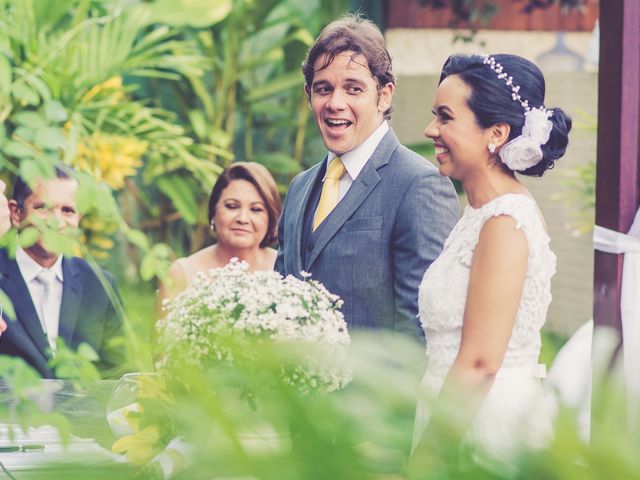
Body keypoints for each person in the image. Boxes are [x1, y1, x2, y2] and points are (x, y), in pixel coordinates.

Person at [411, 53, 571, 462]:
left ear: (495, 133)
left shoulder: (504, 221)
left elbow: (481, 362)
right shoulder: (480, 213)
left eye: (445, 117)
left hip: (481, 424)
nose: (431, 130)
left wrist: (428, 458)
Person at [275, 15, 459, 337]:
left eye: (353, 89)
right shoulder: (299, 187)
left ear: (384, 95)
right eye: (323, 89)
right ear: (309, 95)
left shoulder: (419, 185)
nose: (335, 103)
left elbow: (420, 328)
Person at [0, 166, 124, 378]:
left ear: (79, 219)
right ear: (16, 213)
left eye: (68, 210)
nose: (56, 222)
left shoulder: (100, 284)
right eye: (43, 208)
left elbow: (121, 372)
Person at [158, 162, 282, 302]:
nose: (242, 218)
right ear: (213, 212)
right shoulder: (182, 274)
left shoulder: (287, 270)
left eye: (256, 209)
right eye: (232, 206)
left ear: (271, 217)